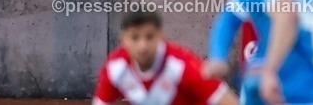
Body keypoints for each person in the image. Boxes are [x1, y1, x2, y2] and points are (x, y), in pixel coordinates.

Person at [94, 11, 239, 105]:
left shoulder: (183, 65)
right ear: (124, 39)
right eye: (135, 38)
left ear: (160, 36)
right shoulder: (115, 68)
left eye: (149, 37)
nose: (142, 46)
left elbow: (228, 101)